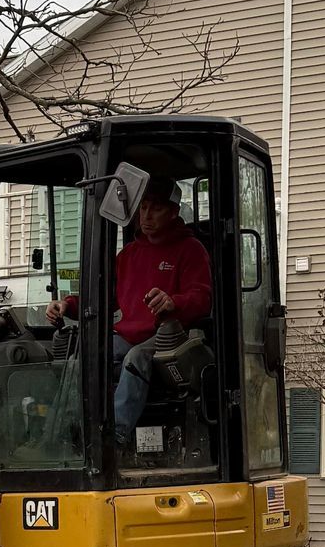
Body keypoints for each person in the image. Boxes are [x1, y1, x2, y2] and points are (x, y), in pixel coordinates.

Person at [46, 177, 212, 447]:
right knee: (86, 354)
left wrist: (174, 303)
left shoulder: (190, 250)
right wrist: (68, 305)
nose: (146, 216)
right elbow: (101, 298)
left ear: (173, 212)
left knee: (135, 358)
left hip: (171, 336)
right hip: (129, 335)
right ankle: (63, 432)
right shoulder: (128, 255)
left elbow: (202, 298)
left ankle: (115, 436)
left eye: (155, 209)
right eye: (143, 207)